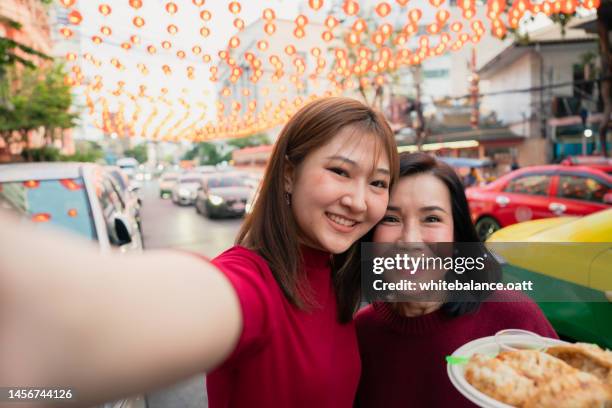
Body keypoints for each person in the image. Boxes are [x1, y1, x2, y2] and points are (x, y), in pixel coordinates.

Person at [0, 97, 399, 408]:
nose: (359, 201)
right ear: (289, 174)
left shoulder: (342, 274)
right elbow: (89, 317)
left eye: (378, 184)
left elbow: (449, 285)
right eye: (340, 172)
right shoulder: (252, 283)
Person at [355, 152, 557, 408]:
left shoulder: (513, 317)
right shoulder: (362, 333)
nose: (410, 240)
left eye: (431, 219)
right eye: (391, 218)